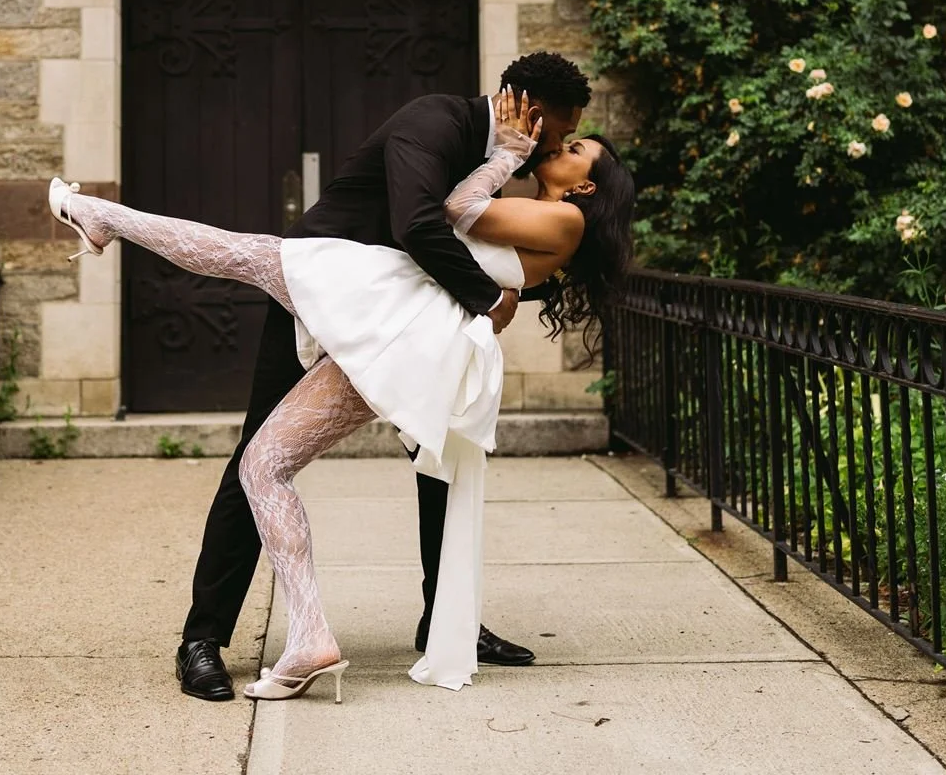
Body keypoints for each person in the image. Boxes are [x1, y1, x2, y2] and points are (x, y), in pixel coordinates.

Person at [47, 52, 635, 700]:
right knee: (257, 456)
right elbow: (420, 221)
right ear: (526, 104)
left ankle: (446, 620)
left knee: (438, 467)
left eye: (569, 142)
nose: (556, 142)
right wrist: (487, 297)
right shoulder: (436, 123)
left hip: (403, 325)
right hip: (325, 294)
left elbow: (498, 244)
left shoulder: (522, 180)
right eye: (562, 128)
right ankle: (202, 639)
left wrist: (495, 270)